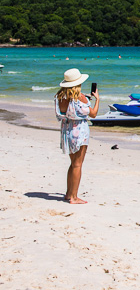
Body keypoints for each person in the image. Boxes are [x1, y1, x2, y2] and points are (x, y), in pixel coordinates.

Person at [54, 68, 99, 204]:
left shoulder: (60, 97)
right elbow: (93, 114)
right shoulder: (80, 98)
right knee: (78, 165)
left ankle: (69, 193)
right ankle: (74, 197)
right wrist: (97, 100)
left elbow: (70, 108)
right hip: (79, 132)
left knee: (73, 163)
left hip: (66, 131)